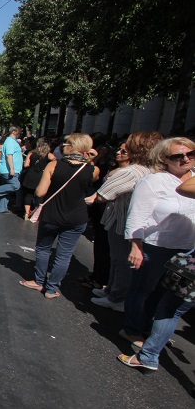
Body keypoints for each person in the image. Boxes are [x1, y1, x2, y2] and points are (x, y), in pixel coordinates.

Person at [119, 137, 195, 347]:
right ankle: (132, 329)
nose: (185, 159)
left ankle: (150, 328)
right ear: (164, 158)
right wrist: (136, 246)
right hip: (155, 246)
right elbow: (137, 215)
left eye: (190, 154)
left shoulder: (194, 180)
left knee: (165, 292)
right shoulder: (153, 181)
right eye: (177, 156)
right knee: (143, 289)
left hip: (187, 249)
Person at [85, 132, 163, 312]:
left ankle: (116, 297)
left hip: (122, 222)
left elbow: (103, 195)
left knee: (120, 261)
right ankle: (111, 290)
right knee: (117, 260)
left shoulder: (132, 171)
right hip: (126, 220)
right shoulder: (149, 170)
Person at [19, 133, 99, 299]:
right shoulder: (92, 169)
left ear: (71, 146)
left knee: (43, 248)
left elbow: (40, 191)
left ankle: (39, 280)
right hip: (77, 217)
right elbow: (92, 177)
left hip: (52, 214)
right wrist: (91, 159)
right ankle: (52, 288)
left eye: (67, 143)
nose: (64, 146)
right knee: (64, 254)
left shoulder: (54, 166)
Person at [0, 126, 24, 213]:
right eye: (19, 131)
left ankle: (2, 208)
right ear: (14, 132)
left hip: (7, 169)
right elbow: (9, 155)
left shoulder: (10, 141)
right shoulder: (10, 142)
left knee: (6, 188)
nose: (20, 133)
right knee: (15, 185)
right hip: (9, 170)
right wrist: (12, 169)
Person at [20, 138, 55, 220]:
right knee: (40, 196)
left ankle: (26, 213)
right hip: (41, 176)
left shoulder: (31, 153)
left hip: (30, 175)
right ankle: (36, 214)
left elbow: (26, 165)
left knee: (29, 194)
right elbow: (55, 163)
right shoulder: (49, 155)